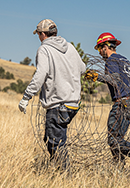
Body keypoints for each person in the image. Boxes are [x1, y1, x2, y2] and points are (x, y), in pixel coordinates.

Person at [18, 19, 86, 169]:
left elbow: (41, 74)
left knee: (55, 143)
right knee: (52, 138)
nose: (39, 38)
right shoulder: (70, 47)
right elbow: (83, 69)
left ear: (43, 34)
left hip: (58, 104)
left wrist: (26, 97)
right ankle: (56, 171)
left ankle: (65, 177)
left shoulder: (44, 49)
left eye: (38, 35)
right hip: (73, 104)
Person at [85, 32, 130, 171]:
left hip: (122, 104)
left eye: (100, 49)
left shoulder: (111, 61)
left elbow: (114, 80)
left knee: (113, 140)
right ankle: (119, 169)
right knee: (118, 139)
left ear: (105, 46)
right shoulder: (124, 60)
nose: (99, 53)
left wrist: (97, 76)